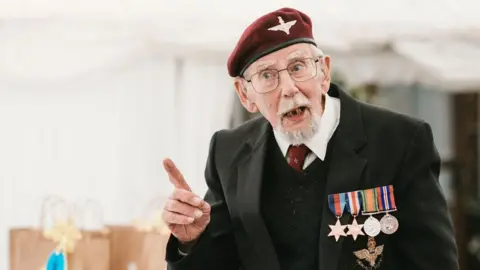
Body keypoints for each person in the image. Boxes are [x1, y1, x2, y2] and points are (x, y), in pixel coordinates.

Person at [162, 7, 459, 270]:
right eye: (267, 76)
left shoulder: (401, 141)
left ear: (324, 73)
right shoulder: (227, 152)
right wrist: (192, 241)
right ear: (245, 95)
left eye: (298, 67)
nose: (289, 88)